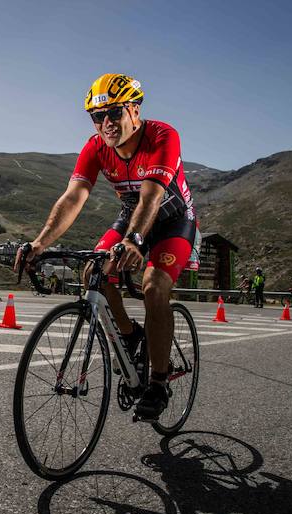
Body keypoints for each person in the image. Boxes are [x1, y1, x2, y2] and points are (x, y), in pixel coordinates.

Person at [15, 73, 197, 421]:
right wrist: (39, 244)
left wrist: (136, 241)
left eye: (113, 113)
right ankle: (129, 335)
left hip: (172, 220)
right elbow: (74, 197)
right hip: (132, 218)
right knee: (93, 271)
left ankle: (159, 381)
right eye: (97, 117)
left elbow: (152, 197)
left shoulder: (163, 136)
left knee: (154, 287)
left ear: (134, 110)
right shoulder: (96, 146)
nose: (106, 123)